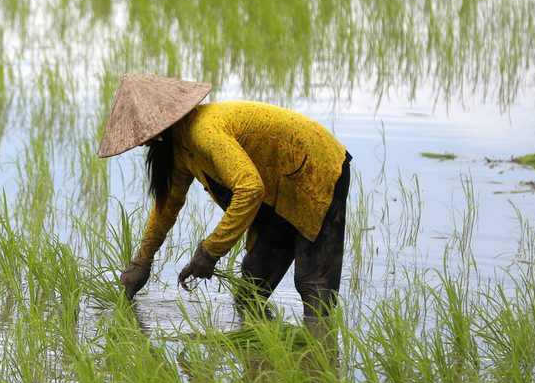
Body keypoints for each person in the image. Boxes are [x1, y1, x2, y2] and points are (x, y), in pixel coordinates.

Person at [97, 74, 352, 318]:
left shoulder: (203, 131)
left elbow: (250, 188)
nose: (142, 143)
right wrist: (142, 262)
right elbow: (167, 207)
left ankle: (321, 356)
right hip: (276, 188)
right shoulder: (181, 147)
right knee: (252, 286)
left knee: (313, 284)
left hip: (315, 168)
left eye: (142, 134)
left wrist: (209, 251)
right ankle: (259, 359)